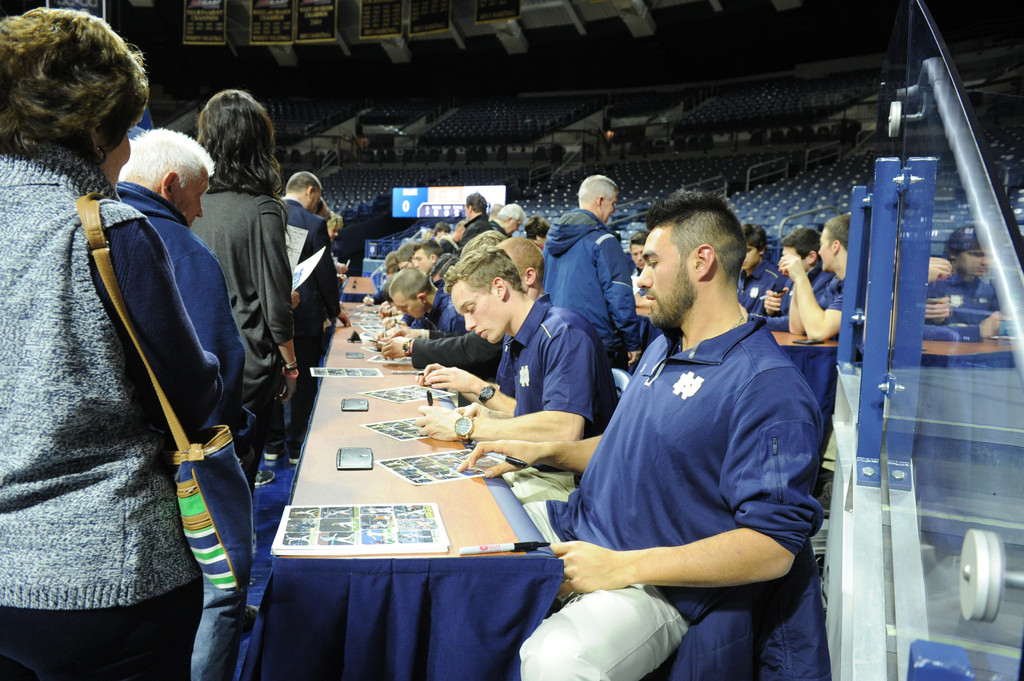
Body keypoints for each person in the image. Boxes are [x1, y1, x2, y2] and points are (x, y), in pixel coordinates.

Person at [461, 190, 828, 681]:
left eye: (653, 262)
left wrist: (623, 567)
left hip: (654, 582)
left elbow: (773, 547)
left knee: (556, 659)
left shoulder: (768, 386)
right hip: (584, 529)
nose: (640, 276)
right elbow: (629, 450)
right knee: (465, 530)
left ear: (702, 262)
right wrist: (542, 451)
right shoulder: (665, 344)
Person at [0, 9, 221, 678]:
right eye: (126, 133)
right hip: (114, 579)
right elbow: (189, 397)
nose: (128, 153)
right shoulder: (107, 228)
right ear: (94, 128)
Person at [117, 128, 253, 681]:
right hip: (186, 459)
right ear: (171, 185)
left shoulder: (87, 228)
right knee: (222, 589)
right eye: (198, 197)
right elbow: (211, 369)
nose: (200, 213)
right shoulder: (181, 248)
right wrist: (232, 434)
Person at [192, 89, 298, 486]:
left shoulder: (191, 201)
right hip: (248, 369)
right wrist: (290, 365)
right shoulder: (263, 209)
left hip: (196, 362)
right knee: (239, 484)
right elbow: (275, 307)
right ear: (259, 140)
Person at [415, 245, 617, 447]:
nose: (469, 325)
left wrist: (465, 427)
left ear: (499, 288)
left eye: (471, 309)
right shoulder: (514, 337)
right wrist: (491, 416)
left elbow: (565, 429)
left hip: (566, 475)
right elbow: (527, 413)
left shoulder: (563, 332)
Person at [265, 171, 344, 465]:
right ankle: (297, 448)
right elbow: (324, 274)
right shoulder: (313, 223)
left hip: (270, 318)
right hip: (305, 319)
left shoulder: (266, 213)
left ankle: (272, 446)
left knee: (273, 381)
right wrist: (336, 311)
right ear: (311, 191)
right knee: (304, 383)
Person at [544, 174, 642, 369]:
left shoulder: (549, 244)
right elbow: (619, 296)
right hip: (597, 345)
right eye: (613, 204)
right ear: (600, 201)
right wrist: (633, 342)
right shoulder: (604, 241)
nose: (613, 210)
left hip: (555, 339)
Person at [924, 225, 1002, 341]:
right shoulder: (932, 285)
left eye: (991, 256)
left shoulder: (988, 291)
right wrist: (978, 331)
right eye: (976, 254)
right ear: (953, 253)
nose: (985, 262)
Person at [779, 213, 849, 341]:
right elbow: (797, 328)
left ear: (835, 246)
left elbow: (818, 332)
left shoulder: (856, 287)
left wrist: (801, 277)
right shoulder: (835, 283)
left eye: (822, 245)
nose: (820, 251)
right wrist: (797, 278)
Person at [762, 227, 834, 332]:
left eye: (788, 258)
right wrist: (772, 310)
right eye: (782, 257)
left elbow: (801, 323)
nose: (781, 264)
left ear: (811, 257)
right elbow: (786, 314)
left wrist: (758, 321)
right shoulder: (793, 276)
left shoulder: (827, 281)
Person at [384, 267, 467, 338]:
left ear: (422, 298)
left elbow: (459, 351)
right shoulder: (425, 309)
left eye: (404, 307)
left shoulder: (454, 314)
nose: (401, 312)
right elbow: (412, 334)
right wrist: (389, 337)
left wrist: (424, 335)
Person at [738, 223, 785, 316]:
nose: (741, 256)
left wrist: (771, 312)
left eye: (747, 250)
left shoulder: (776, 278)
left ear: (762, 250)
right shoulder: (735, 275)